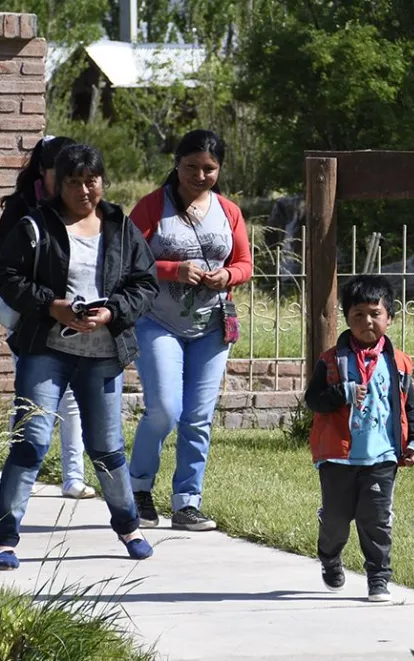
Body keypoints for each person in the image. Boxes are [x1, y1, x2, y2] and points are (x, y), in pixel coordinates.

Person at [0, 144, 159, 569]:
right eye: (73, 182)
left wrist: (113, 310)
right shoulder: (34, 226)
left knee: (106, 447)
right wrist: (51, 305)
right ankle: (4, 541)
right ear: (55, 184)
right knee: (31, 442)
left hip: (102, 354)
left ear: (103, 180)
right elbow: (8, 278)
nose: (84, 190)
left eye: (92, 180)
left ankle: (128, 526)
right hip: (46, 349)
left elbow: (145, 282)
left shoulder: (120, 226)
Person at [127, 129, 253, 531]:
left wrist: (228, 275)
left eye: (209, 169)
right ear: (176, 164)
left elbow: (246, 263)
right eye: (191, 167)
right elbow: (128, 261)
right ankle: (138, 490)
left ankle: (186, 501)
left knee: (198, 417)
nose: (200, 175)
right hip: (157, 323)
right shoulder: (151, 207)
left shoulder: (228, 211)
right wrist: (173, 270)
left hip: (212, 326)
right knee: (165, 409)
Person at [303, 275, 414, 602]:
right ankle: (329, 557)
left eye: (375, 313)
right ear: (346, 317)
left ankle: (379, 578)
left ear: (390, 316)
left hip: (382, 457)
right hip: (338, 457)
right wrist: (341, 392)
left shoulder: (399, 363)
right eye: (358, 315)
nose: (367, 321)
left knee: (377, 518)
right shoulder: (331, 360)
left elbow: (409, 406)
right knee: (336, 521)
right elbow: (313, 400)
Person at [0, 135, 96, 500]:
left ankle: (74, 476)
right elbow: (7, 272)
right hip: (32, 317)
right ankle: (19, 467)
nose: (74, 183)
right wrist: (45, 302)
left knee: (71, 397)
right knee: (30, 398)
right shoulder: (20, 209)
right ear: (43, 171)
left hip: (77, 313)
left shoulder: (85, 208)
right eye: (63, 174)